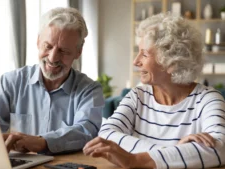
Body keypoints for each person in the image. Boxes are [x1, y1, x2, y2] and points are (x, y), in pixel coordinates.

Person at [83, 13, 225, 168]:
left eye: (144, 54)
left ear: (172, 62)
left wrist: (136, 160)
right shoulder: (138, 96)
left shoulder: (208, 99)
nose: (136, 61)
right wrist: (174, 152)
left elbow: (220, 149)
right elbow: (106, 134)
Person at [0, 7, 104, 154]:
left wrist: (42, 142)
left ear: (78, 52)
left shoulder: (89, 90)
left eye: (63, 51)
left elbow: (86, 131)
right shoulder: (10, 82)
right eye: (48, 46)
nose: (52, 58)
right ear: (38, 42)